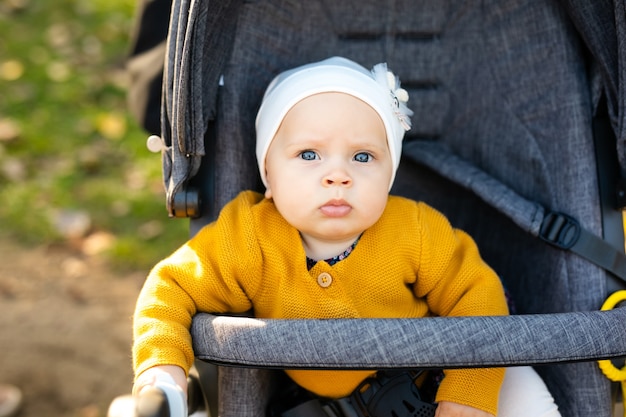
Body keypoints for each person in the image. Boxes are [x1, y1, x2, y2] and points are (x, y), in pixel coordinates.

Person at [132, 57, 561, 417]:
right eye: (308, 155)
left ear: (389, 175)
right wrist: (162, 369)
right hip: (314, 400)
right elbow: (171, 288)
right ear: (269, 174)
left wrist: (468, 392)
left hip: (429, 381)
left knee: (524, 387)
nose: (338, 175)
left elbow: (477, 295)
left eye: (362, 157)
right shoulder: (247, 235)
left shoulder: (415, 229)